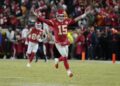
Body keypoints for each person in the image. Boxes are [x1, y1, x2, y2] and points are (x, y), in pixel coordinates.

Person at [33, 8, 91, 77]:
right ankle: (69, 71)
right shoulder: (53, 21)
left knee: (65, 56)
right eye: (59, 16)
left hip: (65, 41)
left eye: (62, 16)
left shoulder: (66, 20)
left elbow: (76, 19)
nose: (61, 17)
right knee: (65, 57)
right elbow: (44, 20)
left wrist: (84, 14)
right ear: (57, 16)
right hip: (58, 43)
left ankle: (57, 60)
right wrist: (37, 16)